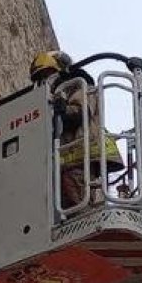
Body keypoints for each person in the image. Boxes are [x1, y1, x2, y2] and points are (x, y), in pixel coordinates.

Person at [29, 50, 125, 210]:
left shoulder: (79, 84)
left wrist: (61, 110)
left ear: (60, 69)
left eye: (47, 74)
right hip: (67, 161)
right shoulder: (59, 93)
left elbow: (79, 112)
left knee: (79, 205)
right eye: (41, 78)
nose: (45, 80)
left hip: (79, 158)